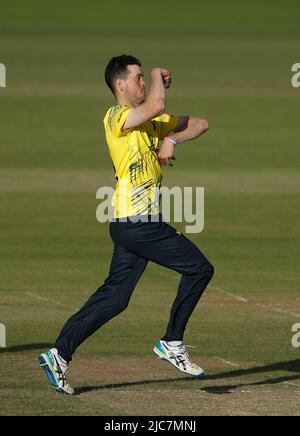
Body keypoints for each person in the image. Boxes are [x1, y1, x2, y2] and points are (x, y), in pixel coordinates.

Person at [39, 55, 214, 395]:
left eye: (144, 79)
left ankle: (59, 354)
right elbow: (158, 102)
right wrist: (156, 72)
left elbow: (202, 123)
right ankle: (172, 342)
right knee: (200, 269)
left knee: (115, 297)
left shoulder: (152, 123)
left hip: (131, 223)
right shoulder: (117, 116)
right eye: (137, 78)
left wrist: (171, 139)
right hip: (138, 222)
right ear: (120, 85)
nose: (144, 84)